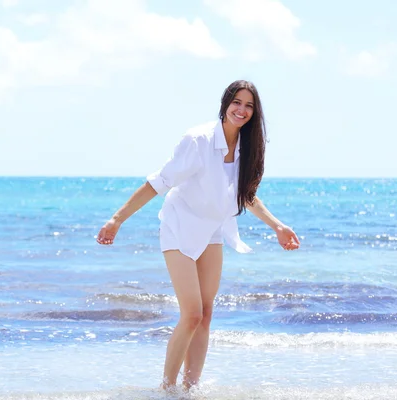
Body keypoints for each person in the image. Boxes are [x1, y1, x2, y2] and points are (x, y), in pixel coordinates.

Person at [96, 80, 300, 391]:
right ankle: (166, 389)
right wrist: (116, 219)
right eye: (236, 102)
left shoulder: (248, 149)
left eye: (249, 105)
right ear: (225, 104)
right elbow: (158, 182)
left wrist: (278, 226)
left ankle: (190, 390)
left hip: (212, 229)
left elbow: (247, 196)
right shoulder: (198, 140)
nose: (241, 110)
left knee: (205, 314)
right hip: (179, 226)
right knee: (191, 314)